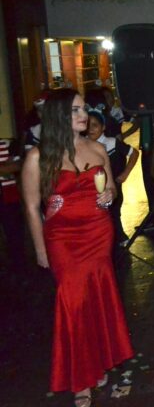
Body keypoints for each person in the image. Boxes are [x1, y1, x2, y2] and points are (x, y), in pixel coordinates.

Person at [20, 89, 134, 407]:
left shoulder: (97, 148)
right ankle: (81, 378)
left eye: (83, 109)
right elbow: (31, 208)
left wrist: (109, 195)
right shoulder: (38, 156)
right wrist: (41, 250)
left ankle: (98, 365)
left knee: (97, 300)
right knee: (73, 303)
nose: (84, 115)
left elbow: (110, 186)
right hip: (63, 241)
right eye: (75, 110)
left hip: (98, 234)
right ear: (59, 115)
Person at [86, 110, 139, 243]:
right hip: (93, 188)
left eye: (95, 125)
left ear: (103, 127)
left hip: (113, 185)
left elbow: (134, 153)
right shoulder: (83, 145)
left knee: (114, 212)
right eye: (88, 125)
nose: (91, 129)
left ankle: (119, 238)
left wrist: (125, 174)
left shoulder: (112, 143)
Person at [0, 137, 26, 272]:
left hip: (9, 195)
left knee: (14, 233)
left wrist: (9, 167)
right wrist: (6, 168)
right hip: (7, 191)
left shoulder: (5, 144)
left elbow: (19, 165)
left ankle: (19, 267)